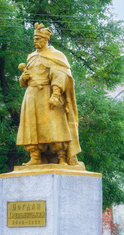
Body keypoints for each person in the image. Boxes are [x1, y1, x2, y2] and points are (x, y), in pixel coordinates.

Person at [17, 23, 81, 167]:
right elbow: (23, 83)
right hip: (31, 96)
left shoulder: (56, 56)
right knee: (32, 129)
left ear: (46, 40)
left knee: (55, 127)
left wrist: (56, 95)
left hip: (48, 95)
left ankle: (62, 157)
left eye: (38, 39)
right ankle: (35, 156)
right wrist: (23, 78)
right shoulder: (31, 57)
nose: (35, 42)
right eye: (34, 39)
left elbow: (60, 75)